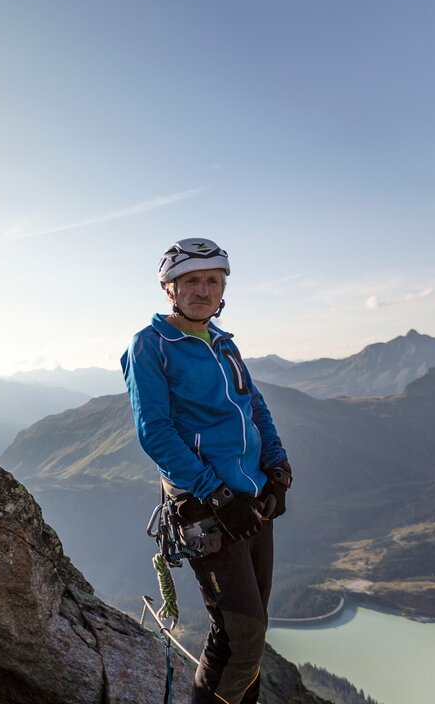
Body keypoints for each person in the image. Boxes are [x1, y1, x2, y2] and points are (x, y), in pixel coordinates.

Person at [120, 238, 292, 704]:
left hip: (251, 499)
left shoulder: (223, 344)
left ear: (222, 291)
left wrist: (277, 465)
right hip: (207, 509)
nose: (203, 289)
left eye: (212, 281)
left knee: (251, 631)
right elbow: (155, 432)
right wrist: (215, 495)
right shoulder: (150, 345)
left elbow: (253, 406)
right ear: (169, 289)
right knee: (240, 637)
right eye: (191, 281)